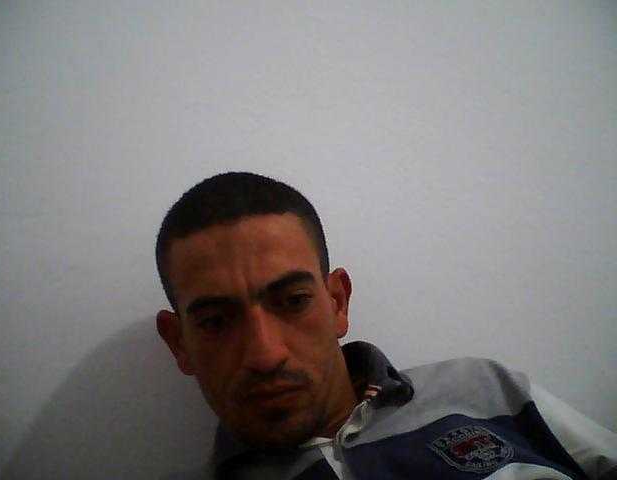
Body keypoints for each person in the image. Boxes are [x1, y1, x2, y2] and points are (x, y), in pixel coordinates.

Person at [155, 172, 617, 479]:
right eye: (216, 322)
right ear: (179, 343)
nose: (265, 354)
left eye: (293, 302)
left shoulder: (488, 390)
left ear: (337, 302)